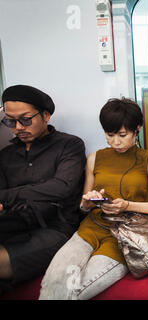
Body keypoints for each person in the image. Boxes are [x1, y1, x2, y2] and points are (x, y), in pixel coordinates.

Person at [39, 98, 148, 300]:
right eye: (110, 135)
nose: (115, 142)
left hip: (124, 237)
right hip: (90, 229)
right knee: (54, 280)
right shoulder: (95, 158)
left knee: (74, 290)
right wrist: (88, 201)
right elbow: (83, 206)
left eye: (122, 135)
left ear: (137, 129)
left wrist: (127, 205)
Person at [0, 85, 86, 294]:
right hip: (13, 222)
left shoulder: (69, 145)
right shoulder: (6, 155)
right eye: (10, 121)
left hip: (54, 228)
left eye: (25, 119)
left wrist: (7, 196)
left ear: (45, 115)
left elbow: (61, 188)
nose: (18, 127)